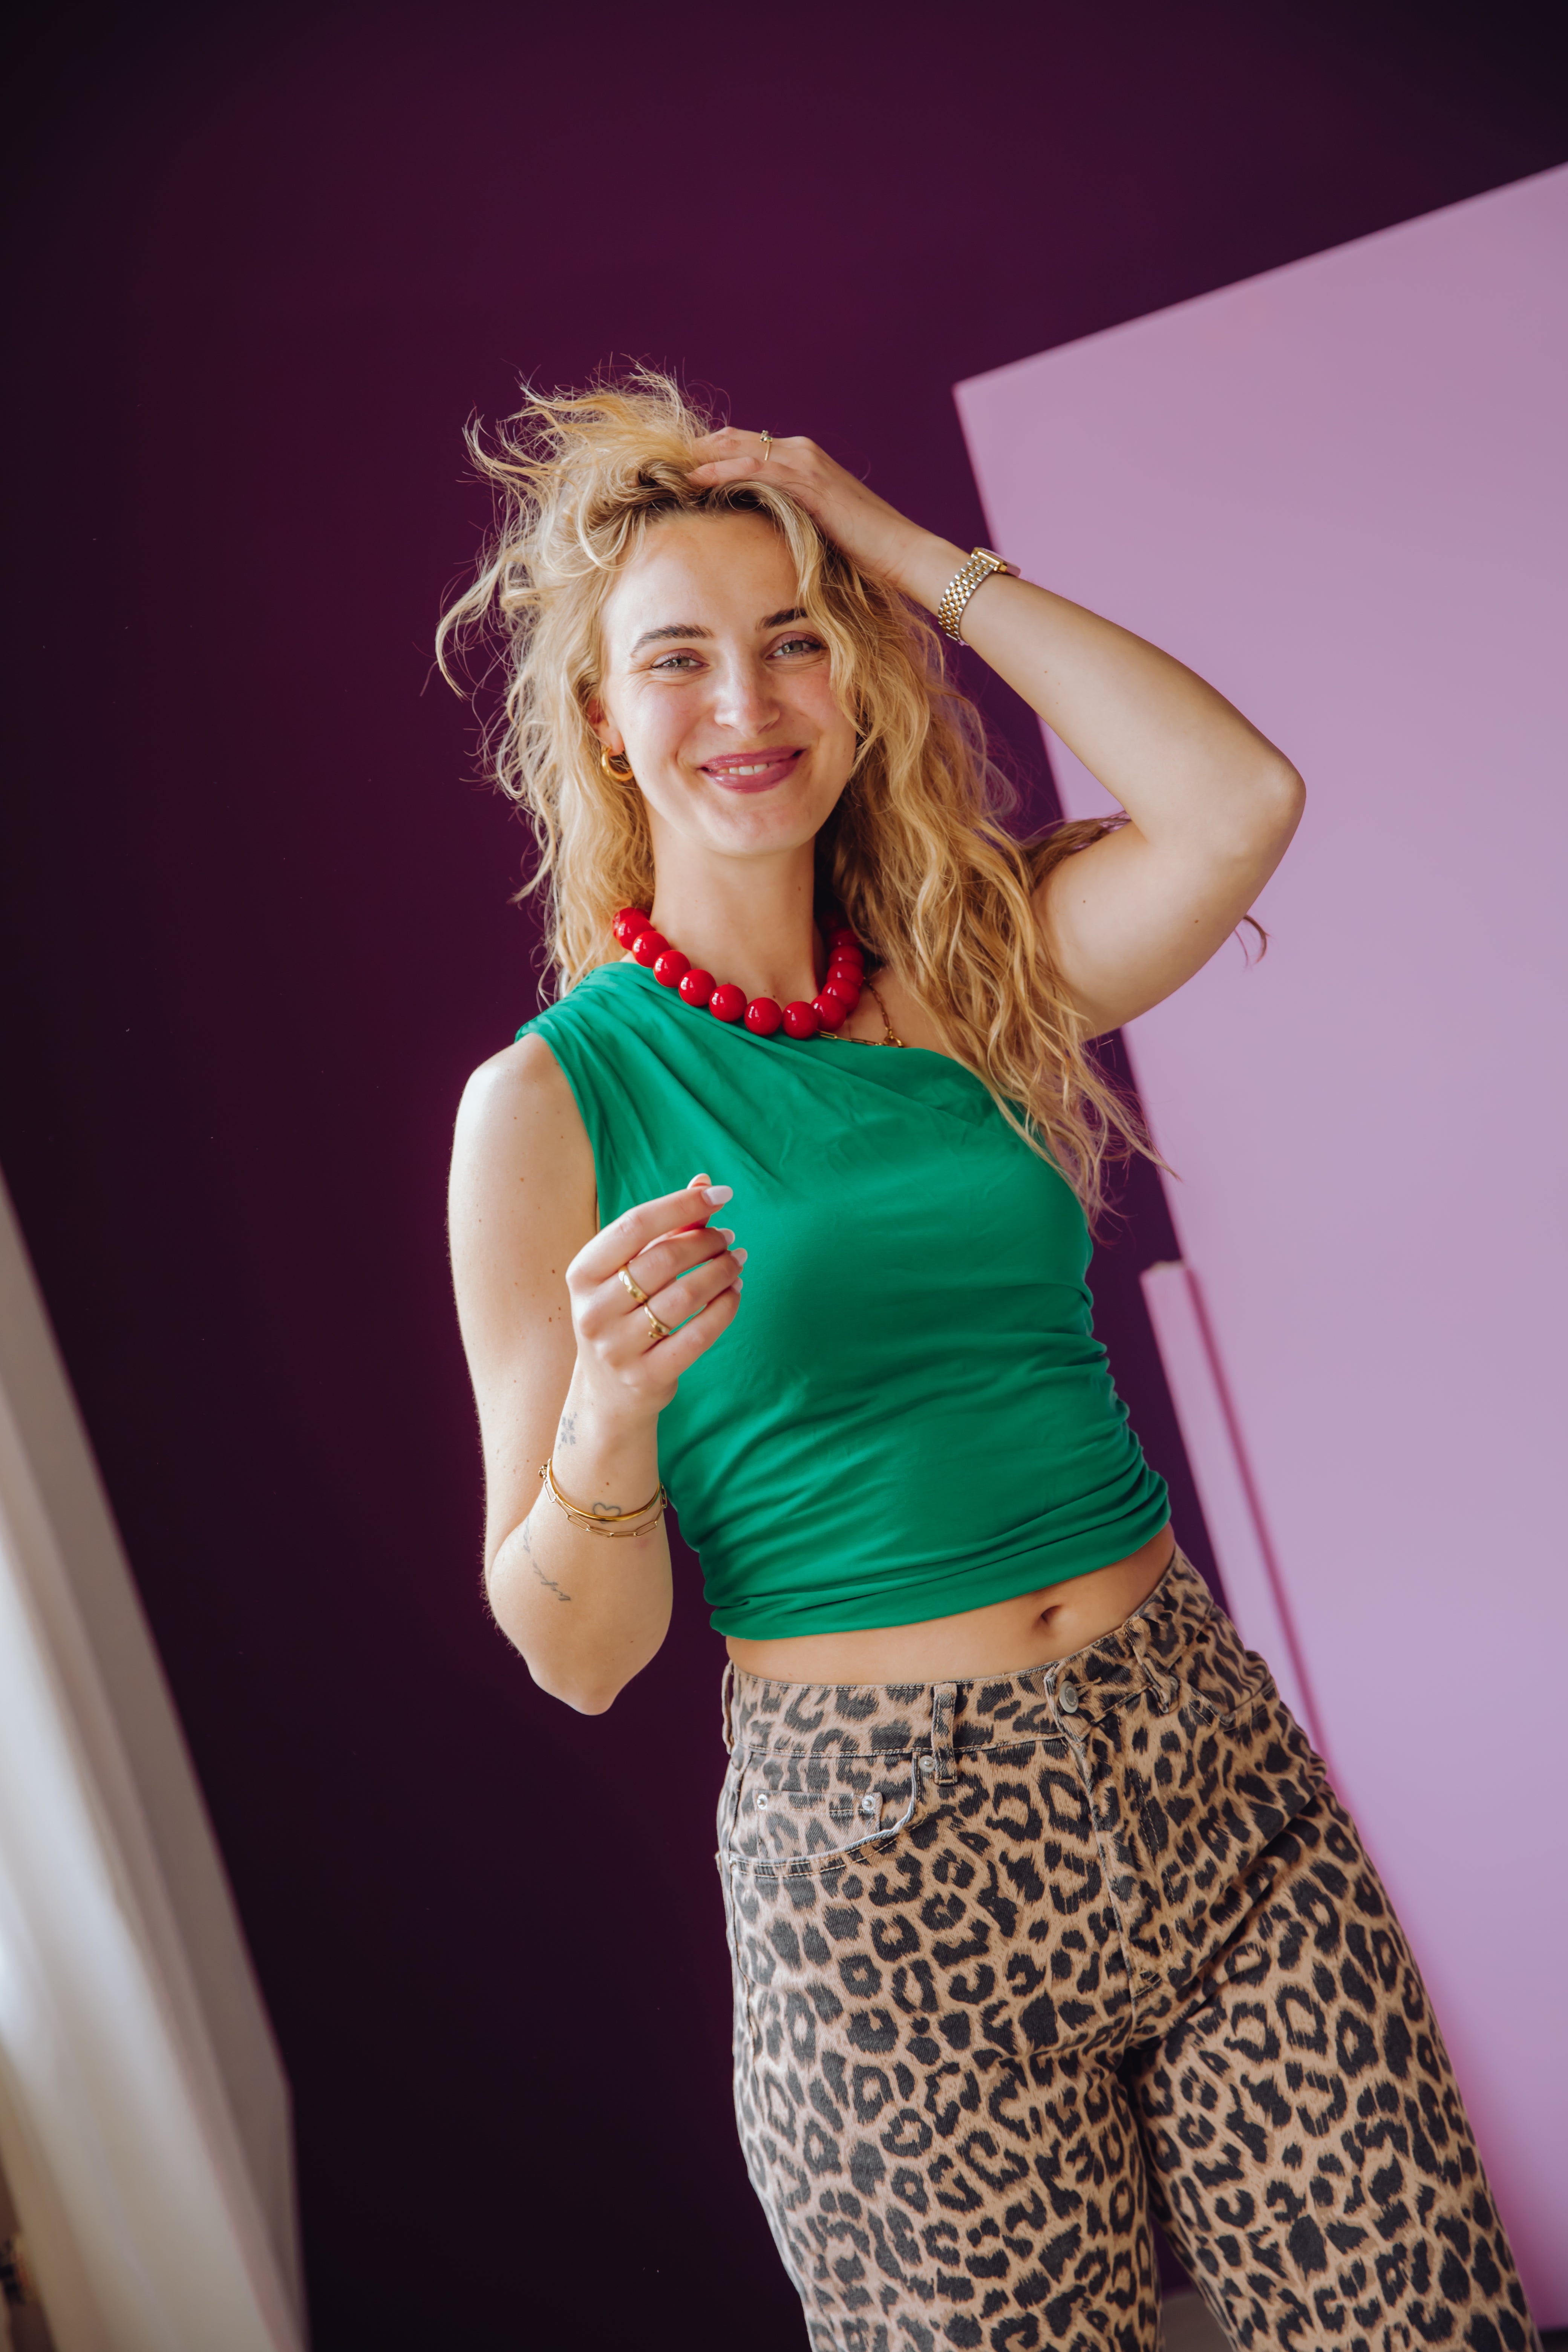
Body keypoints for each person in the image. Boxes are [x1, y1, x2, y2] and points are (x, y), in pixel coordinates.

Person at [441, 378, 1530, 2352]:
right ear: (600, 717)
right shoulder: (547, 1106)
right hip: (884, 1884)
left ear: (858, 682)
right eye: (677, 659)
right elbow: (578, 1653)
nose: (748, 702)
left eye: (795, 640)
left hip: (1200, 1763)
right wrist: (610, 1412)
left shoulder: (970, 966)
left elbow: (1238, 802)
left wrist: (909, 553)